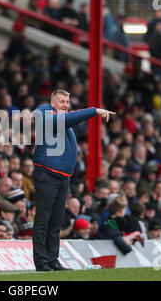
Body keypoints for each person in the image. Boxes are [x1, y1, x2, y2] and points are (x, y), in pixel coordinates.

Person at [31, 89, 115, 271]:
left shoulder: (62, 120)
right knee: (43, 220)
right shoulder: (44, 113)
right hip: (47, 174)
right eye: (62, 102)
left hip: (62, 178)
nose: (66, 106)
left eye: (68, 103)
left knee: (56, 221)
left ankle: (52, 260)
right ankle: (41, 262)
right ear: (52, 103)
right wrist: (93, 110)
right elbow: (61, 120)